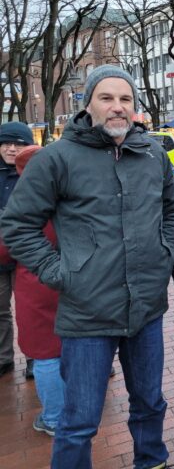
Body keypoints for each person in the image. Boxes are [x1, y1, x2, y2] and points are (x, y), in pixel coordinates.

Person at [0, 65, 174, 469]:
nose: (118, 107)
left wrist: (166, 252)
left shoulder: (152, 152)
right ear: (88, 103)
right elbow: (17, 224)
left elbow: (171, 209)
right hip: (86, 313)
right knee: (80, 419)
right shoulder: (57, 158)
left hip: (147, 308)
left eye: (126, 99)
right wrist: (59, 272)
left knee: (150, 403)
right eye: (107, 97)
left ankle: (151, 461)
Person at [6, 146, 62, 435]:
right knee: (71, 350)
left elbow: (5, 249)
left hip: (35, 288)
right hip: (72, 283)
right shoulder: (67, 195)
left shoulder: (24, 201)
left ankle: (53, 418)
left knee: (46, 356)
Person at [0, 121, 34, 379]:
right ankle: (4, 358)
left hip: (27, 254)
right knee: (0, 310)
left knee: (31, 309)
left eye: (18, 144)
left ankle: (36, 356)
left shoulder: (35, 172)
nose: (11, 149)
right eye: (6, 143)